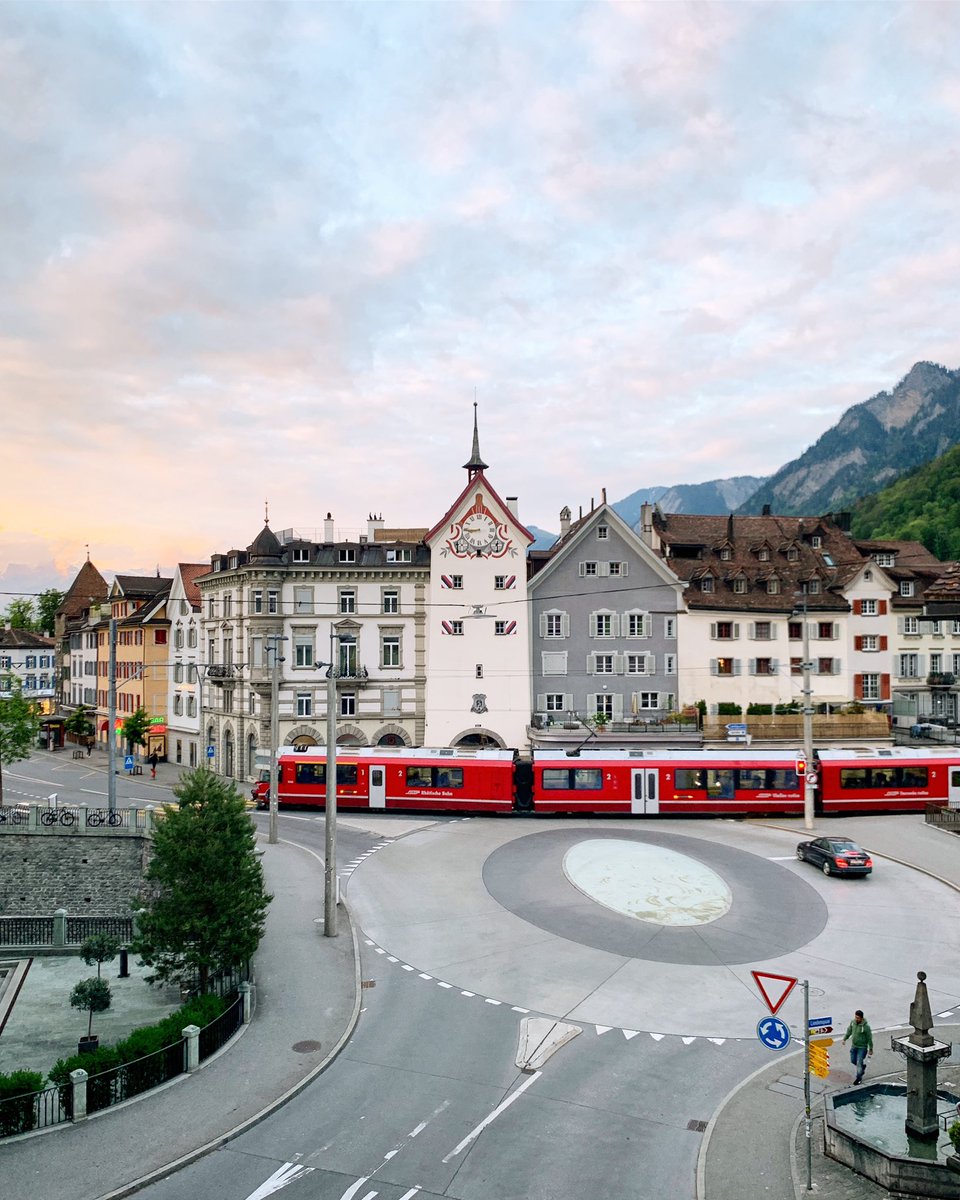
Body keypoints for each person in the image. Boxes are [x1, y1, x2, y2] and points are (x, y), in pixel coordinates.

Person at [842, 1009, 874, 1083]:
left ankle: (858, 1078)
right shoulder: (853, 1023)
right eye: (855, 1017)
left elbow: (869, 1038)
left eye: (858, 1018)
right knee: (853, 1060)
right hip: (854, 1046)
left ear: (861, 1018)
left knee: (859, 1062)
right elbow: (849, 1031)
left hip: (862, 1047)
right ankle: (862, 1067)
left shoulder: (866, 1027)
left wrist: (871, 1049)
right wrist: (844, 1039)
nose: (856, 1019)